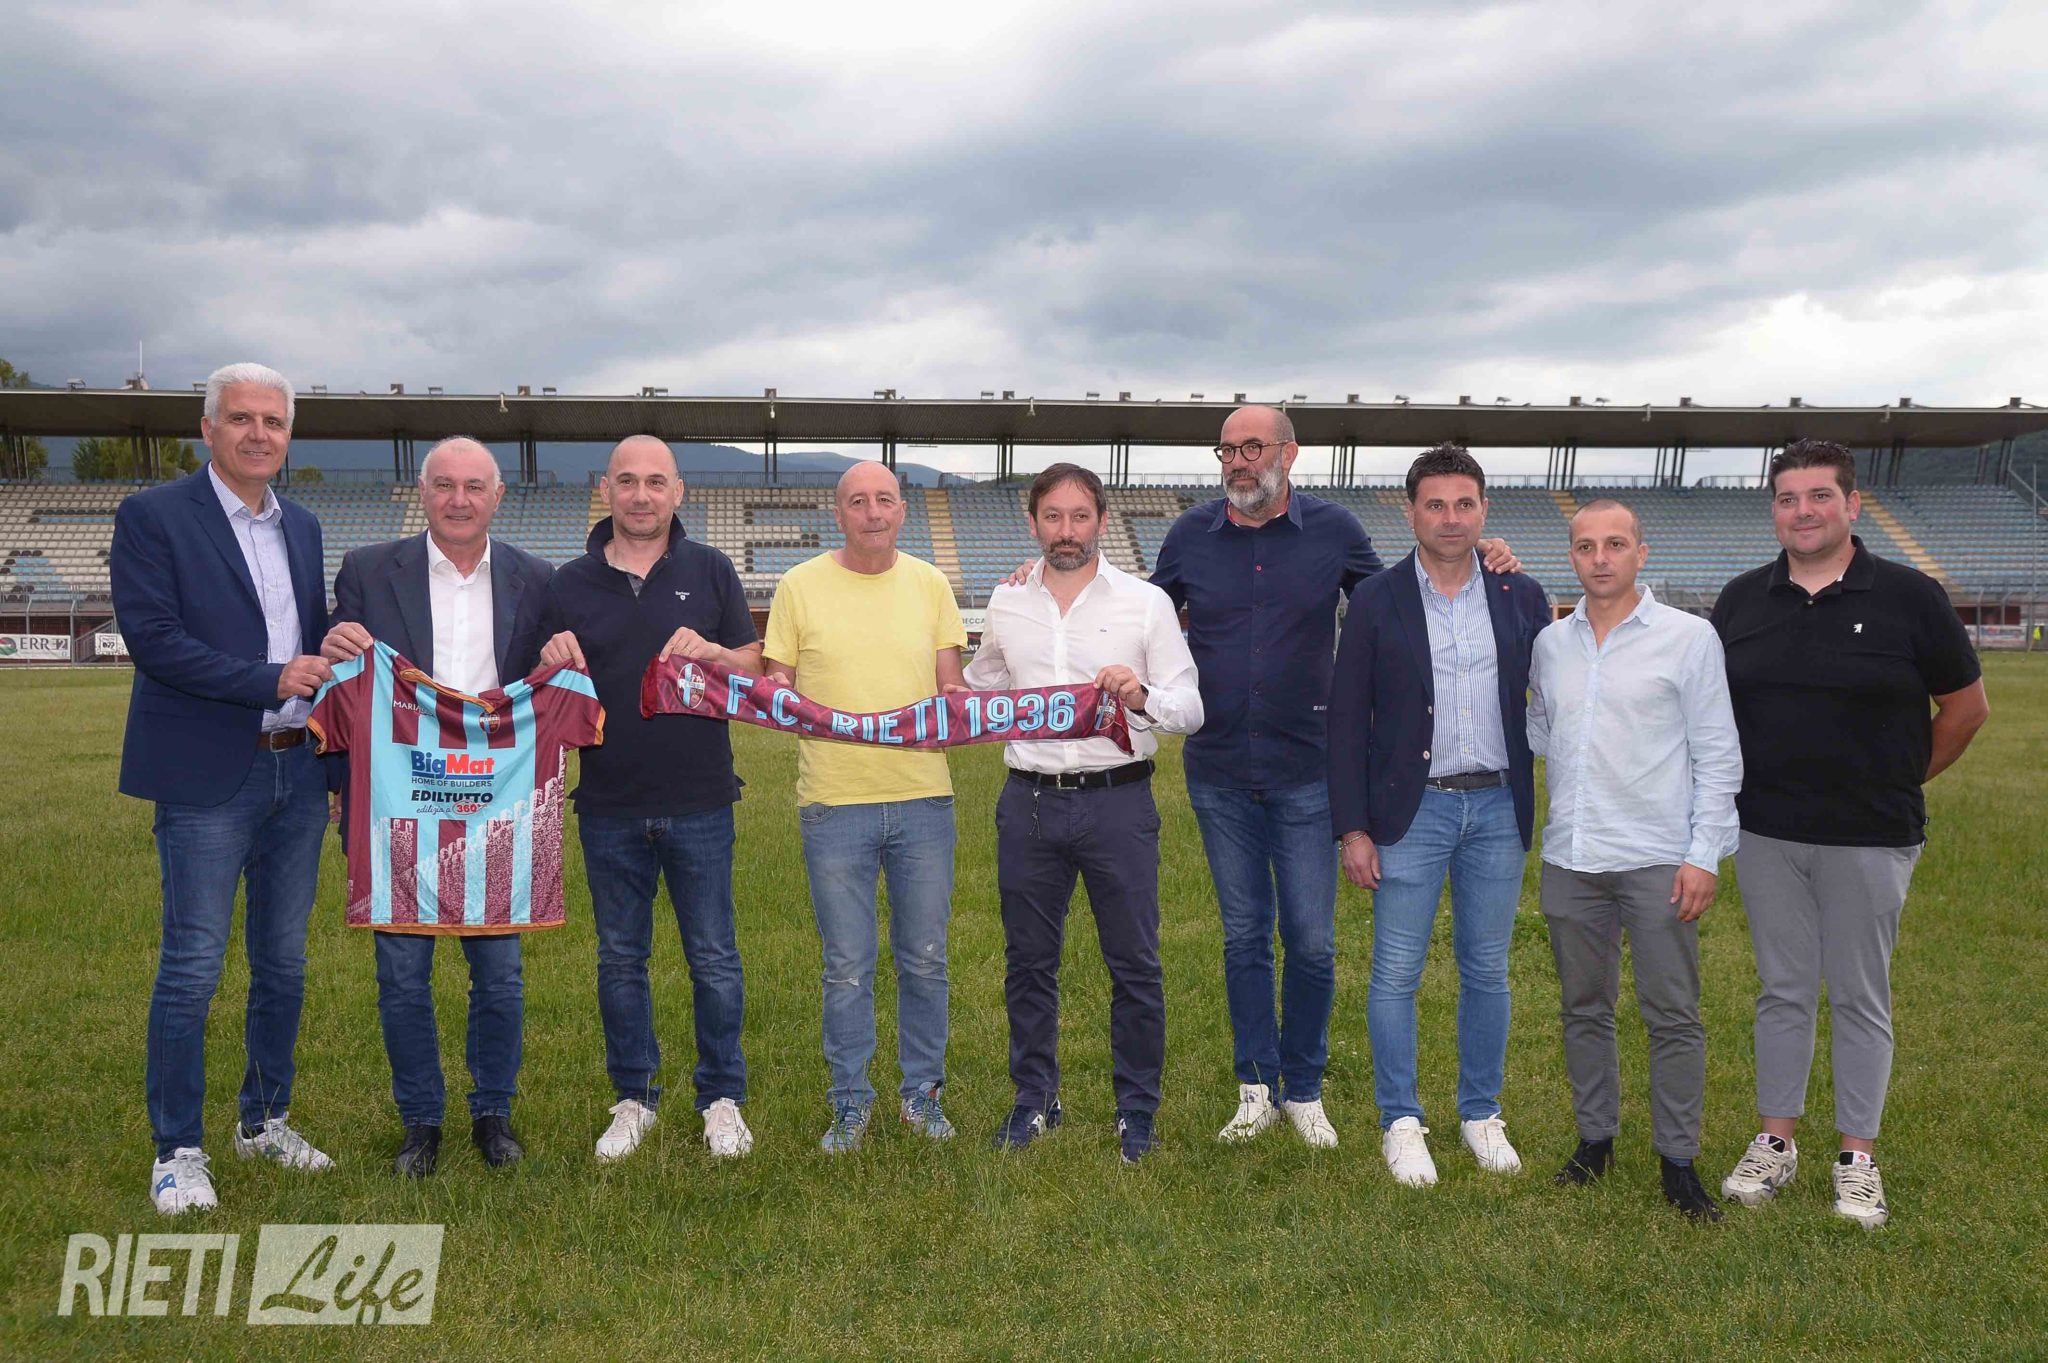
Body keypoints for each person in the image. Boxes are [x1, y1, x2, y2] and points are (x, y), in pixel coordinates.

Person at [1150, 406, 1518, 1149]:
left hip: (1308, 768)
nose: (1238, 462)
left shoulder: (1335, 530)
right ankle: (1256, 1086)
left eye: (1252, 447)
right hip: (1218, 767)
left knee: (1313, 941)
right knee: (1244, 936)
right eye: (1227, 450)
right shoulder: (1189, 534)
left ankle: (1305, 1088)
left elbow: (1401, 601)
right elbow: (1141, 614)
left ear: (1289, 454)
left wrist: (1479, 556)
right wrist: (1042, 575)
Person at [1710, 439, 1988, 1229]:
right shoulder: (1742, 600)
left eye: (1819, 496)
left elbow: (1966, 709)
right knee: (1783, 988)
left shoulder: (1910, 595)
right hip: (1766, 832)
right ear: (1774, 510)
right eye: (1788, 498)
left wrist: (1898, 777)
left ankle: (1857, 1156)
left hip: (1870, 835)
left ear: (1852, 504)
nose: (1803, 511)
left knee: (1862, 994)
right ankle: (1776, 1140)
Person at [109, 362, 335, 1214]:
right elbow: (156, 640)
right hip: (206, 774)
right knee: (193, 964)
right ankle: (177, 1148)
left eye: (272, 421)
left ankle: (265, 1119)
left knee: (283, 960)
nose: (257, 433)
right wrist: (270, 678)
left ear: (287, 435)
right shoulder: (154, 516)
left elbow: (311, 640)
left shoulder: (302, 525)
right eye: (240, 418)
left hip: (296, 770)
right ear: (208, 429)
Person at [318, 436, 553, 1176]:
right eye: (444, 484)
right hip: (400, 803)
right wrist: (332, 642)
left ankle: (492, 1112)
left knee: (501, 976)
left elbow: (546, 681)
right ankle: (420, 1120)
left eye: (474, 486)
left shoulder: (535, 577)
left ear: (498, 496)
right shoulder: (366, 570)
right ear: (421, 492)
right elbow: (345, 686)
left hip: (496, 806)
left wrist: (562, 655)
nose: (459, 499)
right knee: (401, 976)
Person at [961, 463, 1202, 1164]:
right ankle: (1035, 1099)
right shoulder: (1007, 601)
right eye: (1053, 517)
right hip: (1029, 802)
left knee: (1135, 965)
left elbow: (1191, 708)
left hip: (1117, 802)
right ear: (1032, 522)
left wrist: (1141, 695)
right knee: (1028, 962)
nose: (1066, 531)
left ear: (1101, 519)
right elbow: (983, 684)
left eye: (1079, 516)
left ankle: (1137, 1111)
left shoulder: (1145, 603)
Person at [1327, 443, 1549, 1187]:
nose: (1451, 518)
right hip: (1411, 808)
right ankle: (1400, 1118)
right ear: (1411, 512)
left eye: (1464, 504)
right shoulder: (1376, 599)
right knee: (1396, 970)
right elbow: (1347, 721)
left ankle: (1481, 1112)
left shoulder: (1521, 594)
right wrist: (1354, 827)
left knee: (1487, 967)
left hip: (1497, 804)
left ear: (1484, 510)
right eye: (1435, 504)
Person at [537, 436, 760, 1162]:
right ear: (606, 489)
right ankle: (633, 1095)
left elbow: (752, 665)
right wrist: (545, 657)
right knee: (620, 959)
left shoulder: (712, 568)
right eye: (627, 481)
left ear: (678, 491)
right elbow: (538, 683)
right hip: (608, 801)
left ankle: (721, 1096)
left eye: (655, 482)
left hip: (701, 797)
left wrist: (718, 654)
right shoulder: (566, 583)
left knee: (714, 956)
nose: (641, 495)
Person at [1526, 499, 1742, 1220]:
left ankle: (1678, 1160)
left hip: (1658, 858)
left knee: (1672, 1014)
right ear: (1572, 555)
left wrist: (1703, 854)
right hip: (1573, 856)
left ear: (1641, 553)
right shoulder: (1551, 643)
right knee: (1583, 1008)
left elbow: (1718, 753)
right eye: (1586, 545)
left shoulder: (1689, 638)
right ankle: (1596, 1141)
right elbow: (1542, 730)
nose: (1601, 558)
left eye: (1615, 544)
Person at [762, 460, 968, 1152]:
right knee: (847, 964)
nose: (873, 512)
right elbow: (778, 685)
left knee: (926, 958)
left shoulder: (931, 583)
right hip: (834, 800)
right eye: (858, 501)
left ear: (902, 510)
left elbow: (949, 685)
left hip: (922, 797)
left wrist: (963, 702)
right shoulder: (798, 585)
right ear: (838, 513)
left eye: (884, 499)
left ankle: (922, 1096)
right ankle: (849, 1102)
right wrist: (785, 698)